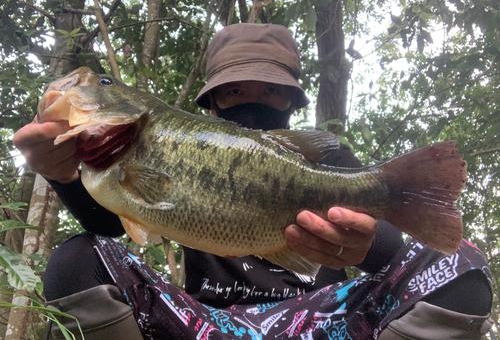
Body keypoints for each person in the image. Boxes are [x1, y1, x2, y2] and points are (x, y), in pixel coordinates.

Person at [14, 23, 492, 339]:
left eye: (271, 92)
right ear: (213, 102)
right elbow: (113, 226)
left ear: (291, 102)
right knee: (76, 258)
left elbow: (391, 244)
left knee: (459, 267)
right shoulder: (145, 144)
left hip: (324, 320)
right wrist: (65, 177)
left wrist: (373, 247)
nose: (253, 101)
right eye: (235, 91)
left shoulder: (330, 160)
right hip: (204, 323)